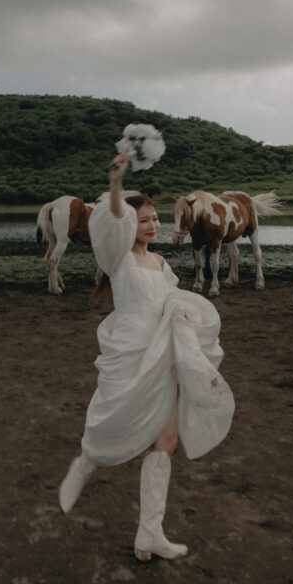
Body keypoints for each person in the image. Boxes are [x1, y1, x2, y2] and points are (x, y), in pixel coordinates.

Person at [58, 152, 235, 561]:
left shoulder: (159, 261)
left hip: (161, 354)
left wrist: (186, 314)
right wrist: (118, 183)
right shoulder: (118, 258)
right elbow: (113, 217)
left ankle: (149, 533)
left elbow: (171, 297)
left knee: (166, 439)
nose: (153, 225)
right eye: (145, 220)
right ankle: (84, 464)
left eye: (155, 219)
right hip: (130, 352)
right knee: (109, 422)